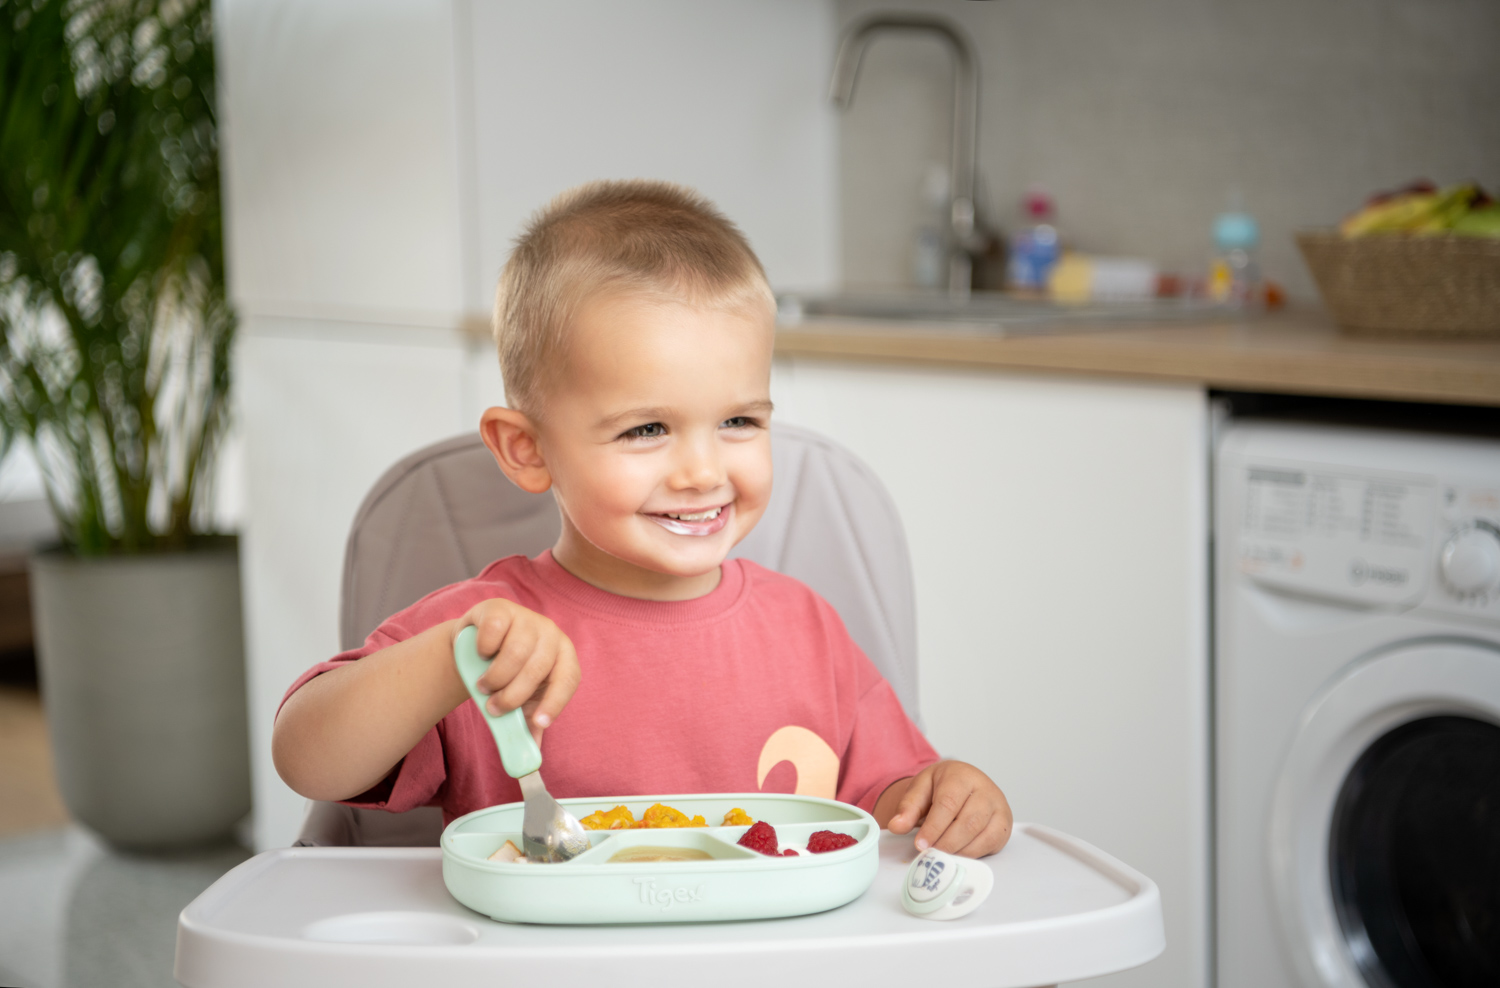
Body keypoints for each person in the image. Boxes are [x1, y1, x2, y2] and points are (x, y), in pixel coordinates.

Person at [272, 180, 1012, 857]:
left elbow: (892, 802)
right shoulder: (485, 638)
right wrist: (446, 662)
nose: (703, 472)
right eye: (646, 430)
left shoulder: (809, 632)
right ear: (527, 450)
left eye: (739, 421)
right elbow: (306, 759)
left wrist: (950, 795)